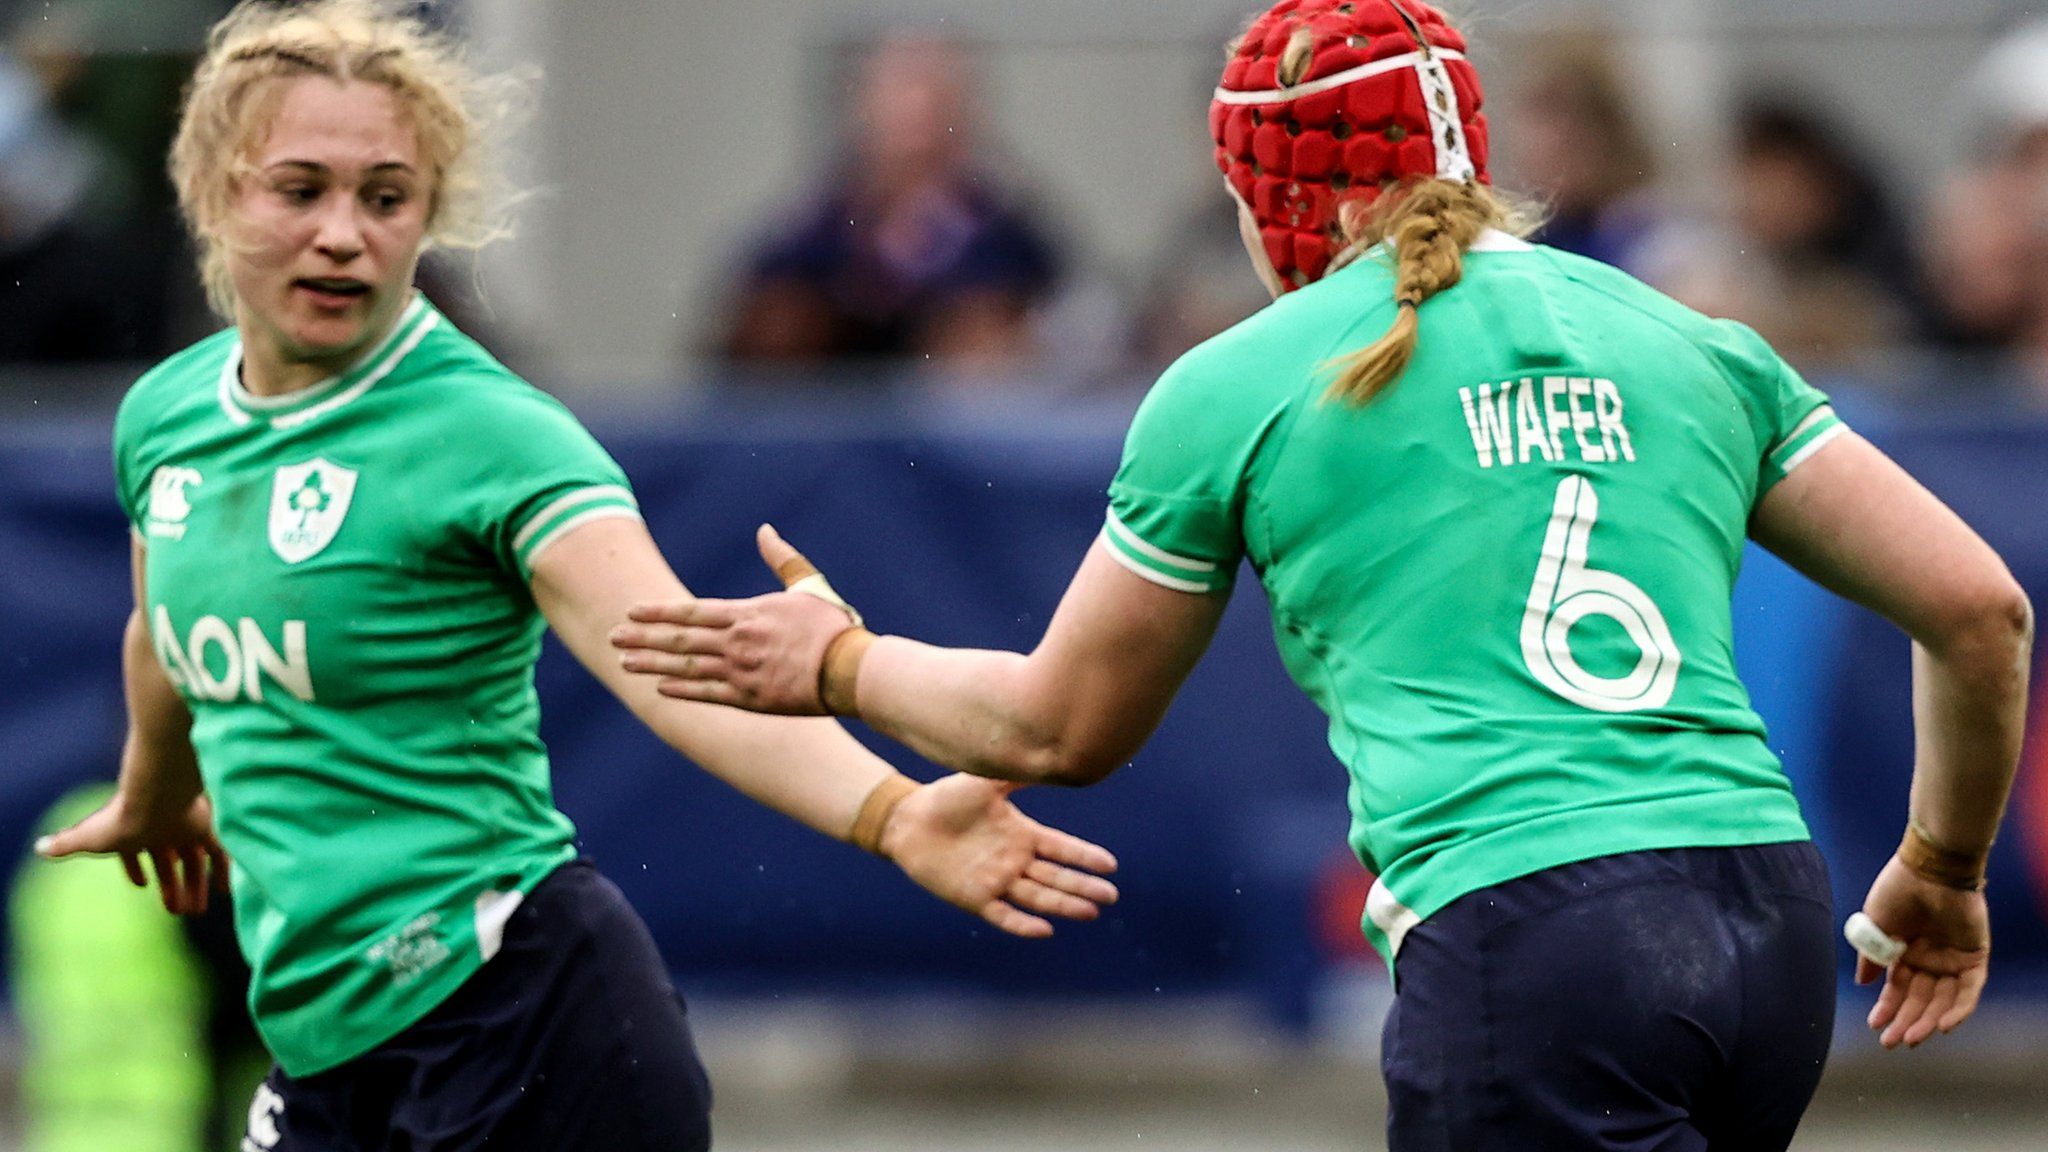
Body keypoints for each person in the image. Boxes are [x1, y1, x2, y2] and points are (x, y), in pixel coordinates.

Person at [612, 2, 2035, 1149]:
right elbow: (1979, 612)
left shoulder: (1243, 380)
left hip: (1534, 938)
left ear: (1256, 193)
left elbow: (1058, 729)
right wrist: (1942, 871)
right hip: (1767, 927)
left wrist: (837, 664)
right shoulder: (1690, 336)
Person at [32, 4, 1118, 1151]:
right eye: (300, 190)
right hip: (326, 1051)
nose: (344, 232)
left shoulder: (491, 432)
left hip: (524, 1020)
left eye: (386, 196)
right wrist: (153, 792)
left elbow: (665, 665)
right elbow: (165, 633)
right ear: (214, 191)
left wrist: (895, 815)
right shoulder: (166, 419)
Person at [717, 33, 1061, 368]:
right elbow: (760, 326)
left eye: (933, 92)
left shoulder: (1002, 232)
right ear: (860, 106)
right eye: (899, 89)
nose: (916, 111)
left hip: (959, 413)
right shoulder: (816, 226)